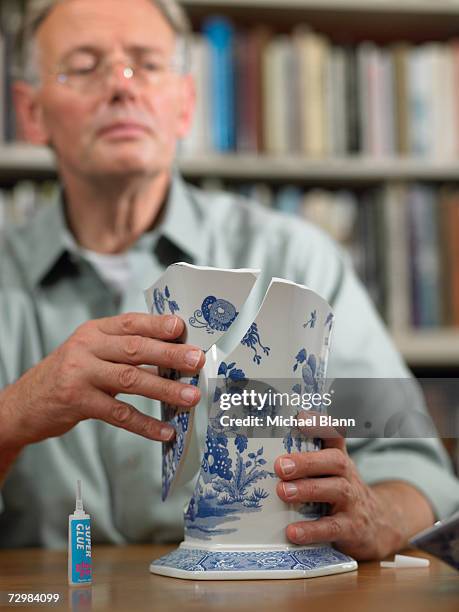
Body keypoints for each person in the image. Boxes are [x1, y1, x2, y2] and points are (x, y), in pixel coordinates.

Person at [0, 0, 458, 559]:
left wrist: (375, 513)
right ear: (32, 111)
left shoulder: (296, 259)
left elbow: (416, 467)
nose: (121, 87)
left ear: (186, 103)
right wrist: (13, 415)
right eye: (84, 64)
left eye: (146, 64)